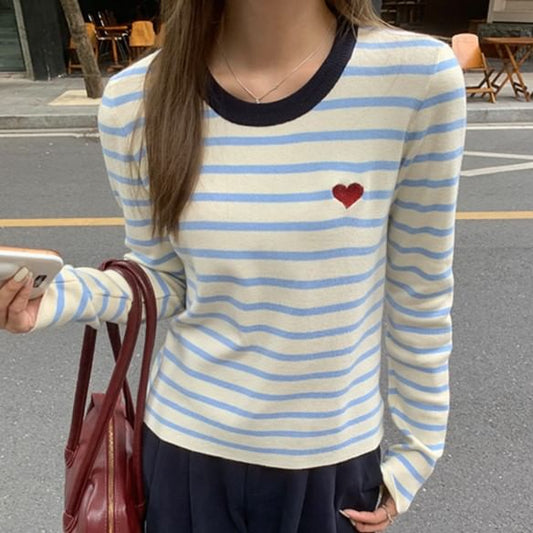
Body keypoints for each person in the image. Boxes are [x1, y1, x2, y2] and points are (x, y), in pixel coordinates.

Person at [0, 0, 466, 531]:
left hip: (330, 462)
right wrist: (50, 299)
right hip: (184, 456)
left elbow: (420, 291)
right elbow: (162, 277)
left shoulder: (414, 79)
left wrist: (415, 456)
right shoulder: (136, 99)